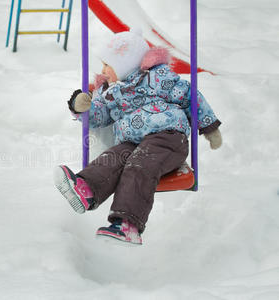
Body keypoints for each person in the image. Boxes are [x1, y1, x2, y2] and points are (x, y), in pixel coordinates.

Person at [54, 29, 222, 245]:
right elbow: (101, 116)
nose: (103, 70)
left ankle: (128, 225)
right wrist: (81, 108)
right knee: (113, 157)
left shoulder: (159, 79)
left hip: (168, 138)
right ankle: (87, 189)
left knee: (139, 164)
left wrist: (209, 127)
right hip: (133, 142)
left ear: (125, 64)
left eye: (108, 65)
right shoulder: (111, 92)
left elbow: (191, 96)